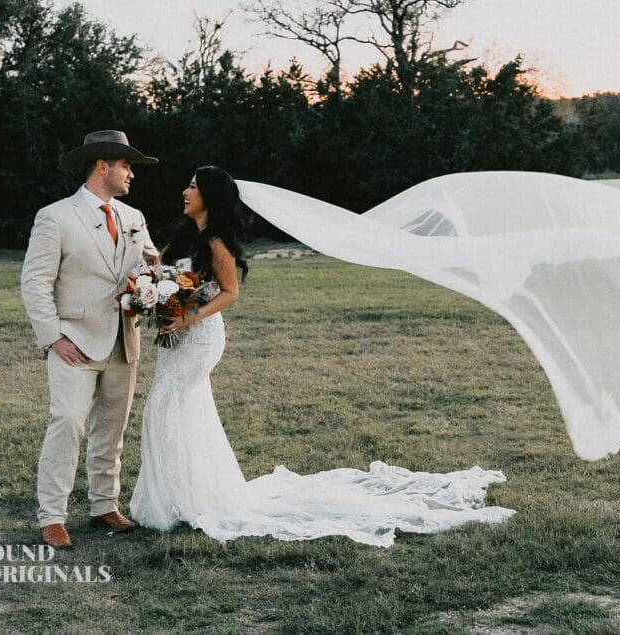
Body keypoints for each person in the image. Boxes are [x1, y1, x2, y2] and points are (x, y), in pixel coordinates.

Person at [129, 166, 514, 546]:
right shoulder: (182, 237)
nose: (185, 191)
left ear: (209, 196)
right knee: (182, 412)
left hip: (199, 340)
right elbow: (164, 276)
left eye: (193, 186)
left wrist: (189, 316)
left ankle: (179, 501)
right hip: (175, 339)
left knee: (165, 407)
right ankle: (185, 497)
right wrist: (151, 295)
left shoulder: (215, 242)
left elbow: (230, 292)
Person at [21, 130, 160, 549]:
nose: (131, 174)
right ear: (103, 165)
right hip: (74, 343)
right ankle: (52, 517)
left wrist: (150, 281)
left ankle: (104, 505)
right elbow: (34, 283)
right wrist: (52, 338)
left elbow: (152, 265)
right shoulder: (56, 216)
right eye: (127, 165)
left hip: (123, 340)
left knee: (111, 430)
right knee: (67, 422)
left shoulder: (134, 217)